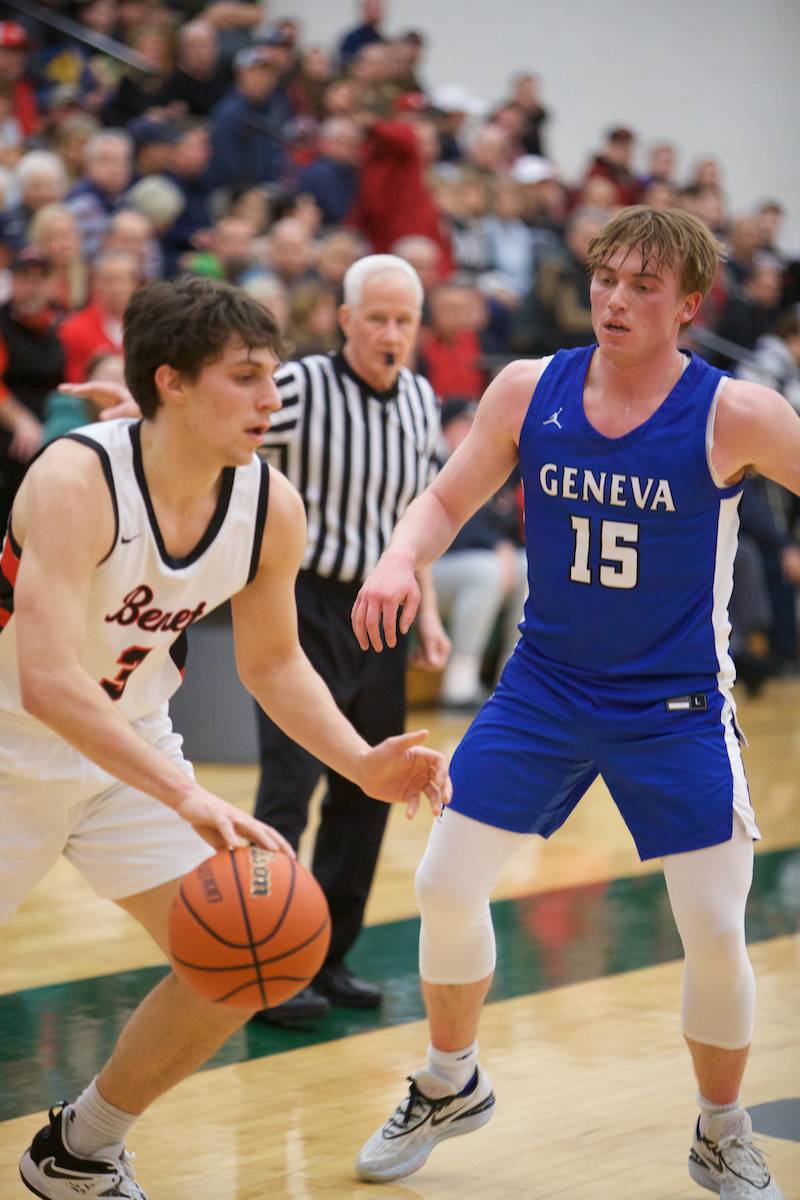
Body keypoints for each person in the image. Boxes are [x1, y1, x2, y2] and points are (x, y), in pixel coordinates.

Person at [351, 207, 790, 1199]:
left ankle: (721, 1129)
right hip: (542, 686)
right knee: (441, 883)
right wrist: (398, 556)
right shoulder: (528, 389)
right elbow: (442, 500)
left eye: (641, 285)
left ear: (686, 306)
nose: (614, 298)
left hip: (671, 704)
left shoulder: (735, 414)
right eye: (604, 277)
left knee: (714, 927)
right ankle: (449, 1078)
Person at [2, 274, 450, 1200]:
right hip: (10, 751)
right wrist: (186, 792)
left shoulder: (266, 504)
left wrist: (361, 764)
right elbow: (46, 682)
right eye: (246, 377)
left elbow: (276, 663)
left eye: (273, 376)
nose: (271, 398)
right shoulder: (74, 479)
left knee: (252, 953)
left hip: (125, 749)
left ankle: (80, 1150)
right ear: (171, 383)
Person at [253, 253, 450, 1026]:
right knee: (289, 787)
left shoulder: (423, 401)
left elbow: (415, 518)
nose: (391, 333)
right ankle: (265, 960)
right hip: (303, 602)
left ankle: (327, 957)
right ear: (344, 320)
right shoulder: (299, 388)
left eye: (404, 320)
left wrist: (427, 613)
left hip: (384, 611)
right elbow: (239, 464)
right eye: (377, 318)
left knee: (372, 790)